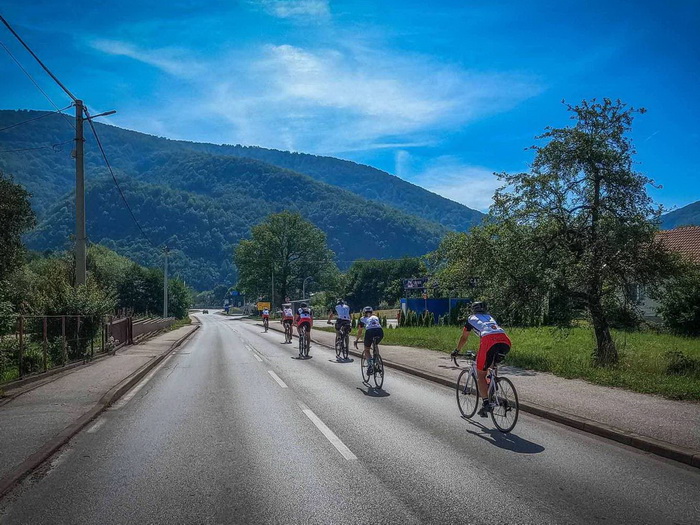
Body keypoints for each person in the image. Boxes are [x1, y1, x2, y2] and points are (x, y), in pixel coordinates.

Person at [451, 301, 511, 417]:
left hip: (489, 341)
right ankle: (492, 382)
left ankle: (486, 403)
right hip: (505, 340)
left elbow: (464, 338)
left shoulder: (471, 319)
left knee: (480, 375)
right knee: (492, 364)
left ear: (473, 310)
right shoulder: (489, 317)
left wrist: (456, 351)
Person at [355, 306, 383, 375]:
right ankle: (377, 361)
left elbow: (360, 331)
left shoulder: (362, 319)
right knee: (375, 344)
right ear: (371, 312)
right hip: (380, 331)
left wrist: (357, 340)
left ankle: (370, 365)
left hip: (370, 332)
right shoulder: (376, 317)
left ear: (364, 313)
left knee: (367, 350)